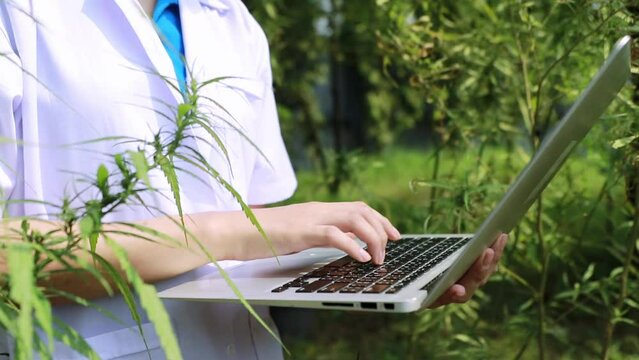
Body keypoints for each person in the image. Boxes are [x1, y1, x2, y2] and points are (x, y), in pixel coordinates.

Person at [0, 0, 507, 358]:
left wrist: (368, 282)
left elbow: (256, 241)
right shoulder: (17, 15)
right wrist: (233, 232)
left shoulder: (231, 20)